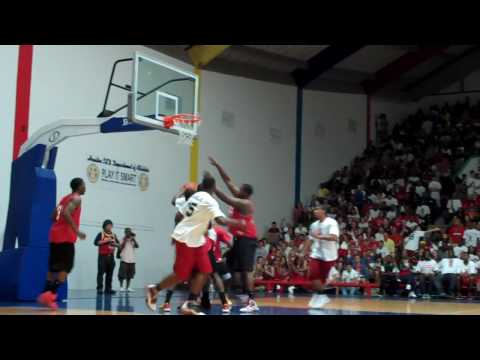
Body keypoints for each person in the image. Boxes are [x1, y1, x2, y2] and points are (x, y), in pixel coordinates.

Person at [145, 173, 244, 315]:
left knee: (205, 270)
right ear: (213, 188)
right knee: (182, 274)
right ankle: (154, 290)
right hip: (188, 239)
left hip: (195, 240)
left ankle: (190, 303)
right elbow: (221, 221)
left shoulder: (195, 197)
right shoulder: (210, 201)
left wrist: (194, 222)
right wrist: (238, 223)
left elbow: (179, 215)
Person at [209, 156, 259, 313]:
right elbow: (228, 180)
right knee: (230, 268)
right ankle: (229, 296)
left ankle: (251, 300)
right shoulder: (241, 196)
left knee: (246, 270)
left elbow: (225, 198)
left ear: (245, 193)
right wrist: (218, 166)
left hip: (247, 238)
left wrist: (212, 187)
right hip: (238, 239)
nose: (237, 189)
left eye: (240, 189)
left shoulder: (245, 203)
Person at [37, 178, 87, 310]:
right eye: (84, 185)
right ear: (79, 187)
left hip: (54, 235)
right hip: (66, 237)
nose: (85, 187)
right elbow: (66, 213)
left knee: (54, 267)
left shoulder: (64, 198)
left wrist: (60, 222)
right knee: (66, 267)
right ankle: (51, 294)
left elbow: (54, 216)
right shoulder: (76, 198)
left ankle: (45, 293)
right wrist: (77, 230)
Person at [161, 183, 197, 312]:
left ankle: (167, 302)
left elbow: (173, 201)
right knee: (194, 274)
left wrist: (181, 191)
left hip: (182, 240)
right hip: (192, 241)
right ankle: (190, 303)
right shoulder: (196, 205)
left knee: (178, 273)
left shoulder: (182, 202)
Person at [305, 205, 340, 308]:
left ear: (323, 211)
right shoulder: (313, 225)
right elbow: (310, 239)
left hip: (329, 255)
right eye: (314, 210)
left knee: (321, 279)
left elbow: (334, 237)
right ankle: (321, 295)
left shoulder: (332, 222)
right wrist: (303, 252)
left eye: (317, 209)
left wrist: (319, 236)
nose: (314, 211)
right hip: (316, 253)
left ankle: (319, 295)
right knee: (312, 275)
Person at [95, 220, 120, 295]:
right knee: (100, 273)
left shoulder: (114, 235)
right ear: (104, 226)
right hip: (102, 256)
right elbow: (96, 243)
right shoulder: (101, 234)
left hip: (111, 257)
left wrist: (114, 244)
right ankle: (99, 288)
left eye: (110, 225)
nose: (109, 227)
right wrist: (106, 240)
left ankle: (108, 289)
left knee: (110, 273)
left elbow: (119, 245)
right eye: (108, 225)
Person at [118, 228, 139, 292]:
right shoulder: (122, 239)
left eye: (129, 232)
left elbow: (137, 246)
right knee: (121, 275)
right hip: (124, 259)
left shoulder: (132, 240)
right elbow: (121, 247)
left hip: (132, 260)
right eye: (127, 232)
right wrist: (125, 239)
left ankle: (128, 287)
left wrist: (133, 239)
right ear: (125, 232)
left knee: (130, 275)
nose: (129, 233)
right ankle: (121, 287)